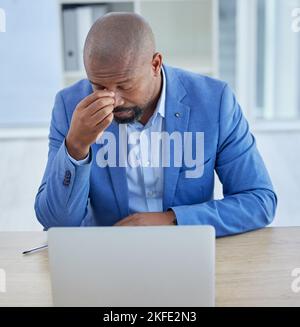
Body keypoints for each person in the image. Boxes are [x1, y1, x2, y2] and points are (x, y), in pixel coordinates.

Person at [35, 12, 277, 237]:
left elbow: (259, 200)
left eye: (124, 85)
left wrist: (173, 220)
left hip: (187, 255)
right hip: (106, 261)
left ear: (155, 64)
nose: (113, 99)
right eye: (99, 86)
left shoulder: (214, 101)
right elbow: (55, 223)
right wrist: (75, 147)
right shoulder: (70, 107)